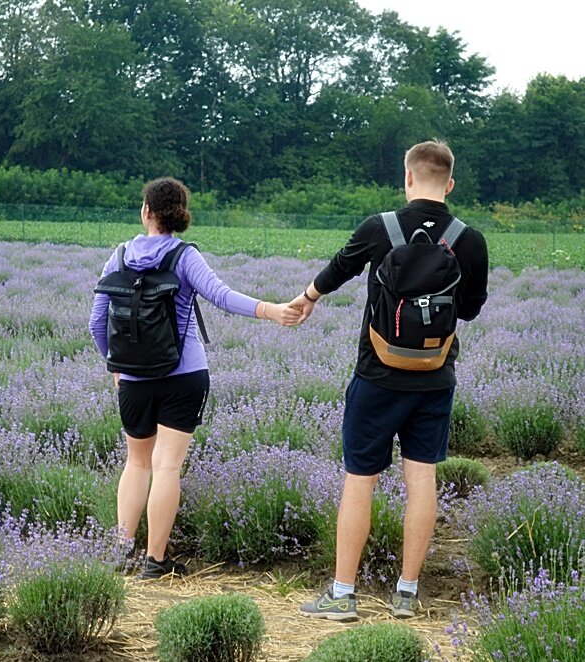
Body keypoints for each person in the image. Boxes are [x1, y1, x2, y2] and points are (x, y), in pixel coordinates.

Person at [296, 141, 489, 620]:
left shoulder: (379, 227)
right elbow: (470, 307)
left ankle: (342, 595)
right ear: (449, 183)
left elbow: (339, 268)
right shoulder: (469, 239)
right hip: (434, 376)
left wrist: (306, 297)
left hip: (377, 375)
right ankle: (406, 593)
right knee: (422, 478)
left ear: (407, 178)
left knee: (359, 481)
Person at [89, 177, 300, 580]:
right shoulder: (184, 256)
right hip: (183, 375)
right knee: (167, 467)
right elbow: (221, 295)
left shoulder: (118, 256)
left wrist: (116, 366)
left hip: (133, 379)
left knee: (136, 463)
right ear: (180, 216)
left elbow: (97, 323)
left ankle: (120, 552)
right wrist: (270, 310)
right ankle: (155, 561)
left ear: (146, 212)